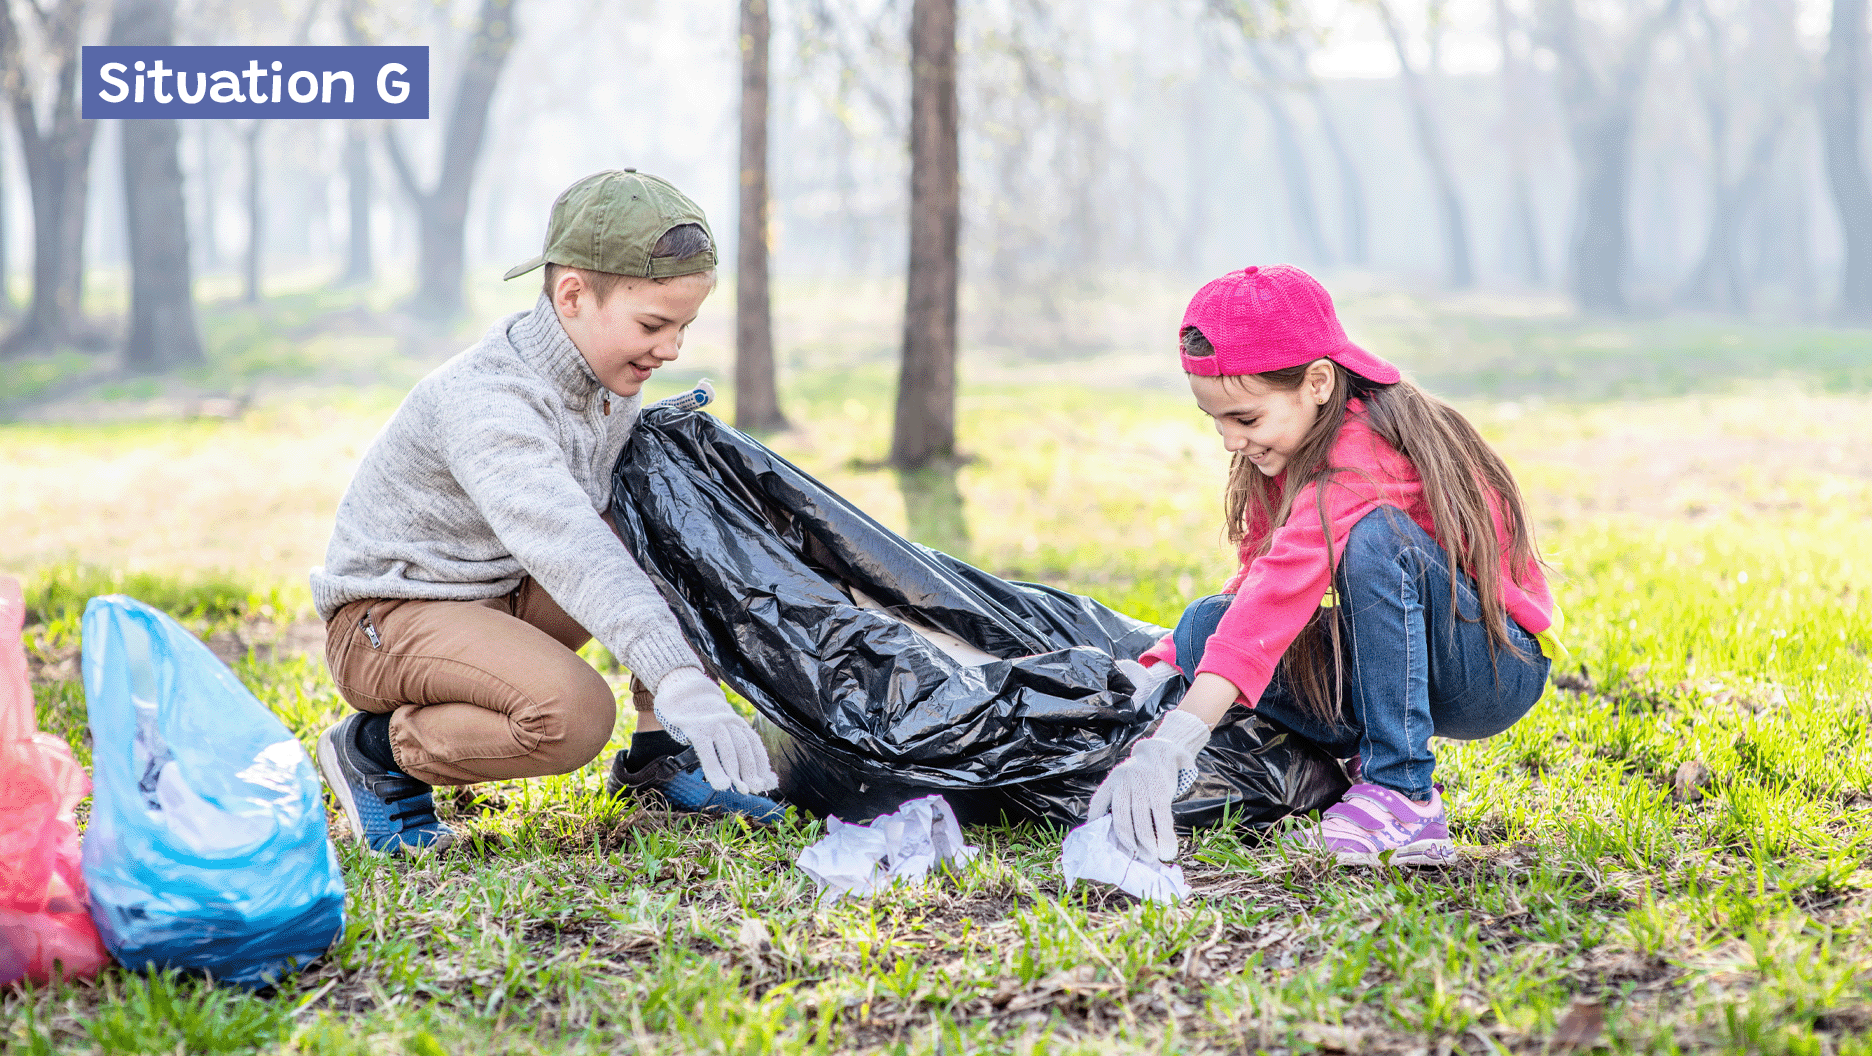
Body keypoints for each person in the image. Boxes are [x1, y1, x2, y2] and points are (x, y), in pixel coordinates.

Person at [311, 170, 782, 857]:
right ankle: (376, 751)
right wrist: (681, 673)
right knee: (572, 717)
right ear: (571, 296)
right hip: (389, 620)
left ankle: (659, 756)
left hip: (501, 598)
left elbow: (623, 529)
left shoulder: (605, 378)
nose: (673, 349)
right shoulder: (489, 402)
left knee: (675, 513)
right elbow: (569, 544)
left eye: (684, 326)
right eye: (653, 324)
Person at [1091, 264, 1564, 867]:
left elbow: (1279, 598)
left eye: (1245, 419)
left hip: (1489, 668)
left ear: (1317, 382)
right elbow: (1260, 584)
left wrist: (1173, 746)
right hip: (1400, 660)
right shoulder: (1288, 448)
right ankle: (1363, 767)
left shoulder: (1364, 454)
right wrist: (1169, 660)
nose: (1230, 440)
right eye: (1216, 421)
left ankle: (1403, 793)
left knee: (1378, 541)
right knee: (1207, 625)